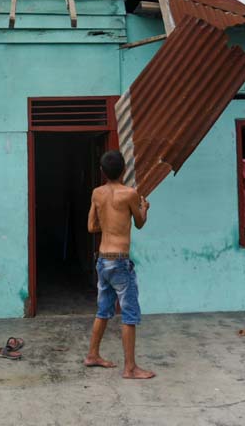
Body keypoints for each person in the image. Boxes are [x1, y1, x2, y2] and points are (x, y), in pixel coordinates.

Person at [84, 150, 154, 379]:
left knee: (103, 310)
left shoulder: (97, 193)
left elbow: (91, 227)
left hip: (103, 259)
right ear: (124, 170)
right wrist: (144, 208)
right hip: (120, 262)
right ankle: (130, 368)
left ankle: (92, 355)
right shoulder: (130, 194)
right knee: (129, 313)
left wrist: (108, 224)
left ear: (102, 171)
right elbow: (140, 223)